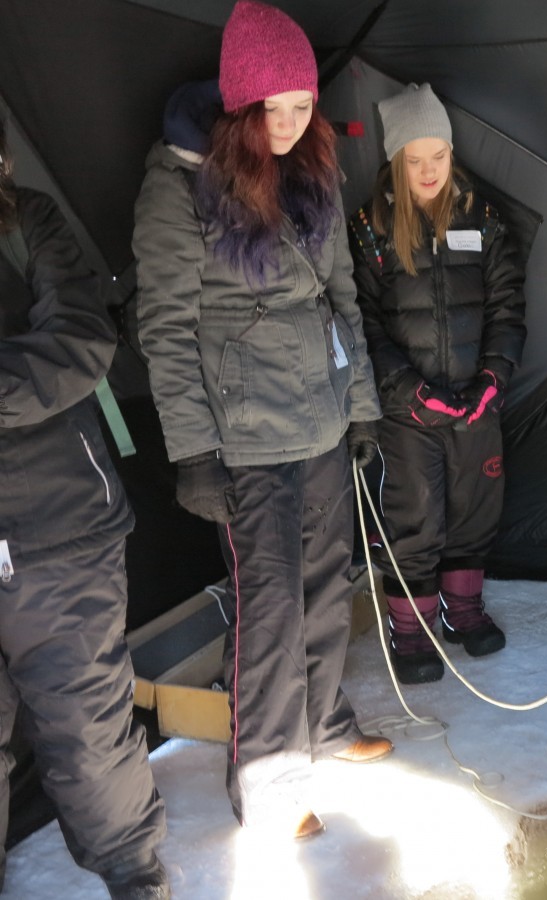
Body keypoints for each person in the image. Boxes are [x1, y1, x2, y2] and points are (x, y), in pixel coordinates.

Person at [132, 0, 392, 840]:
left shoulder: (314, 169)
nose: (287, 123)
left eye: (302, 105)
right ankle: (271, 780)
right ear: (239, 105)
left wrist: (361, 409)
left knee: (327, 589)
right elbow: (165, 329)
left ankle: (324, 724)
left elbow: (341, 296)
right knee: (270, 612)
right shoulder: (179, 184)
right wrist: (194, 453)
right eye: (271, 108)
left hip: (321, 416)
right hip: (244, 436)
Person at [0, 117, 170, 898]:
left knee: (88, 725)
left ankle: (133, 870)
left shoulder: (27, 220)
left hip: (61, 527)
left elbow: (79, 342)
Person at [349, 84, 526, 685]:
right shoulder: (369, 229)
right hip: (409, 412)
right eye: (414, 160)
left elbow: (507, 307)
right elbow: (362, 325)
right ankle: (411, 627)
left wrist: (492, 382)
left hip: (476, 404)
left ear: (452, 154)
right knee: (415, 515)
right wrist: (410, 392)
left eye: (439, 156)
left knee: (475, 508)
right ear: (395, 162)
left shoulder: (485, 218)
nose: (428, 171)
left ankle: (463, 611)